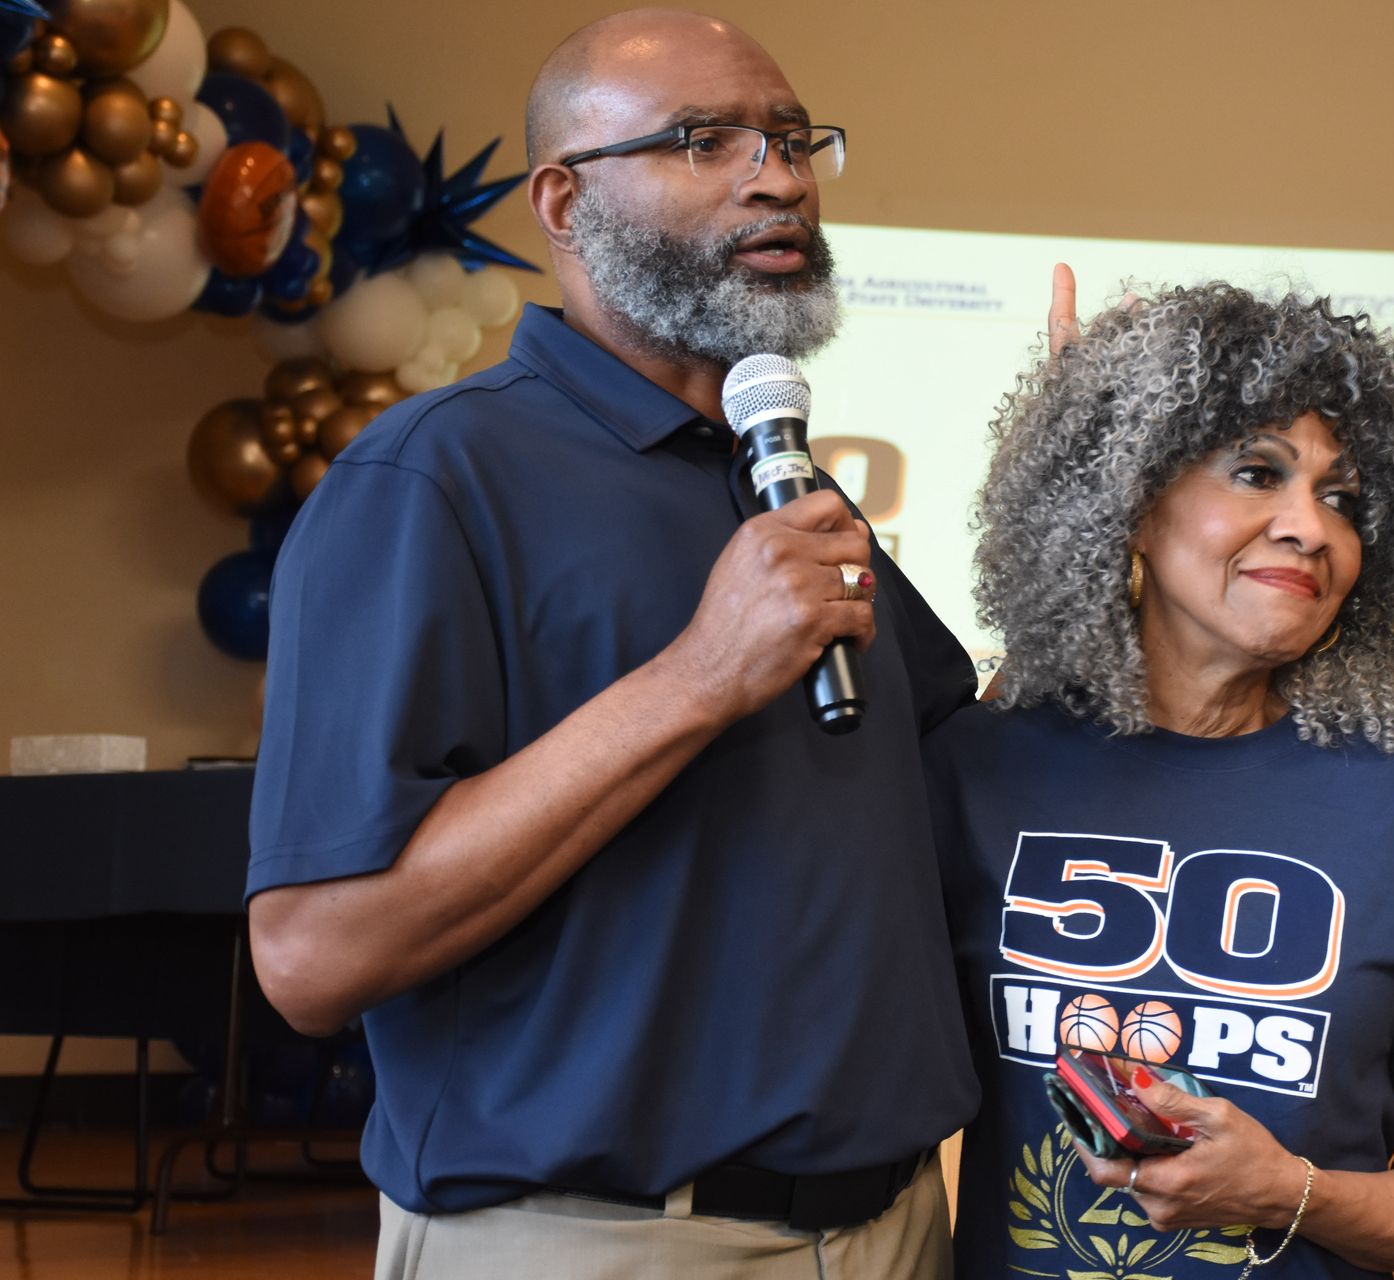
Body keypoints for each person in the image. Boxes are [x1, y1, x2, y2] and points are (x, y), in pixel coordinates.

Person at [244, 11, 978, 1278]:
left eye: (796, 140)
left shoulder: (782, 479)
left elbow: (949, 782)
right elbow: (312, 955)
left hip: (895, 1227)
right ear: (564, 200)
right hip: (601, 1242)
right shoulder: (431, 478)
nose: (778, 175)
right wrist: (699, 678)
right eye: (708, 140)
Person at [927, 276, 1394, 1279]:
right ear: (1127, 502)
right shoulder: (972, 773)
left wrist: (1285, 1188)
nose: (1310, 526)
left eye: (1343, 499)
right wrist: (1071, 449)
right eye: (1258, 472)